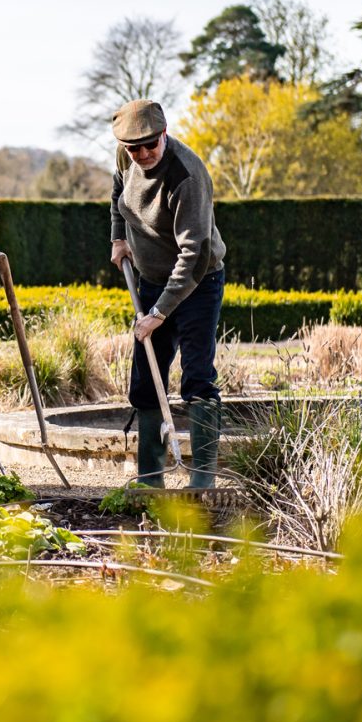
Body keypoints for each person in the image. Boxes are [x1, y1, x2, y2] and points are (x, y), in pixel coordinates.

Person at [109, 98, 226, 488]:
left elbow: (195, 257)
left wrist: (157, 314)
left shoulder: (186, 176)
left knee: (197, 377)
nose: (142, 154)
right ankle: (151, 476)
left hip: (198, 283)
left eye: (149, 145)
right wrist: (118, 238)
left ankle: (202, 479)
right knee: (146, 377)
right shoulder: (127, 158)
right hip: (152, 277)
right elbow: (116, 194)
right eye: (133, 148)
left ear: (164, 133)